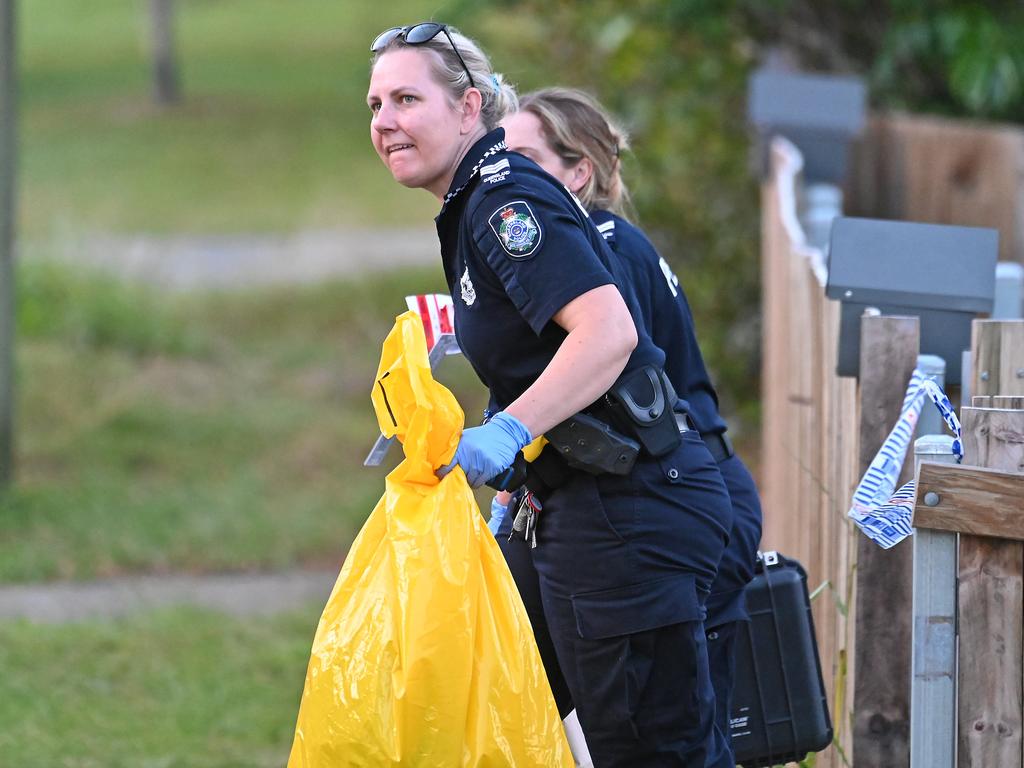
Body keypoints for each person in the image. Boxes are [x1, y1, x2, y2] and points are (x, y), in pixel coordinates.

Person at [368, 23, 734, 767]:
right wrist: (521, 451)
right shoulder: (475, 200)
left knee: (655, 754)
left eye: (408, 98)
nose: (385, 121)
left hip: (630, 509)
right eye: (375, 104)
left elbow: (607, 332)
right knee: (500, 700)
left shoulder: (505, 204)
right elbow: (543, 354)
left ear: (469, 107)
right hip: (581, 503)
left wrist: (507, 433)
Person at [498, 87, 764, 756]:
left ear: (578, 172)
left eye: (525, 158)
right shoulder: (601, 244)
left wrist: (505, 441)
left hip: (674, 499)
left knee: (682, 744)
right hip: (690, 492)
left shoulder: (604, 247)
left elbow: (595, 383)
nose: (505, 174)